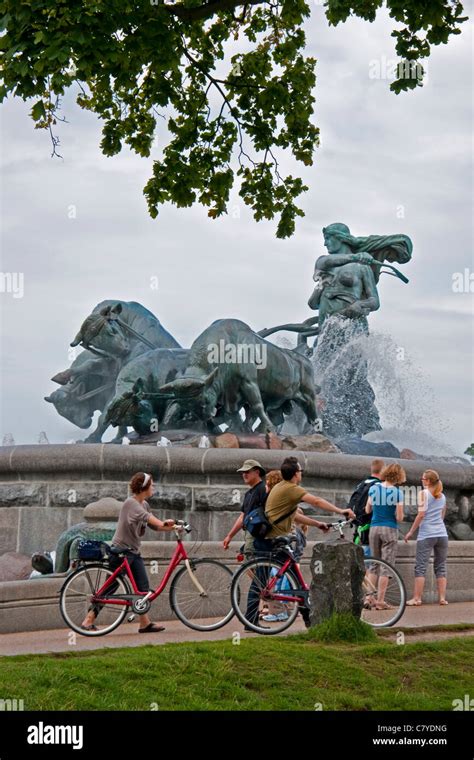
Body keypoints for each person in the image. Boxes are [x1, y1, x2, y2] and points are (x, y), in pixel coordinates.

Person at [81, 472, 176, 633]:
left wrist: (175, 527)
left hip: (133, 552)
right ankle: (88, 620)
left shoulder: (143, 504)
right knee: (109, 589)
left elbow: (156, 526)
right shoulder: (131, 504)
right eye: (152, 485)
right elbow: (150, 519)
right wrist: (164, 523)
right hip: (121, 552)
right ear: (144, 487)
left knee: (142, 589)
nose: (153, 487)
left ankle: (144, 623)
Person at [404, 469, 449, 606]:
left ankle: (417, 598)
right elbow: (442, 514)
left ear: (428, 481)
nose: (421, 480)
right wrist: (437, 524)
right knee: (441, 566)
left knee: (420, 567)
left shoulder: (423, 493)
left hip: (427, 535)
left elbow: (421, 514)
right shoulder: (442, 496)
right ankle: (442, 598)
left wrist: (411, 532)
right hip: (442, 534)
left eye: (423, 478)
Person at [365, 463, 405, 610]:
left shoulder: (374, 488)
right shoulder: (397, 493)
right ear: (399, 476)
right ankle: (381, 601)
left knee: (374, 563)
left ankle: (369, 598)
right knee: (386, 566)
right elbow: (399, 517)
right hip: (389, 529)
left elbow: (367, 509)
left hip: (374, 528)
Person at [222, 459, 267, 557]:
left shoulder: (263, 489)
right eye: (243, 472)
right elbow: (242, 517)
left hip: (257, 536)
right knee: (250, 567)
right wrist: (229, 536)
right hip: (250, 534)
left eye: (247, 472)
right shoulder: (249, 493)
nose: (244, 475)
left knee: (250, 566)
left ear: (257, 472)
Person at [350, 458, 384, 556]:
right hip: (370, 526)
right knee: (369, 562)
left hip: (359, 527)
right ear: (382, 471)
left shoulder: (362, 484)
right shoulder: (378, 486)